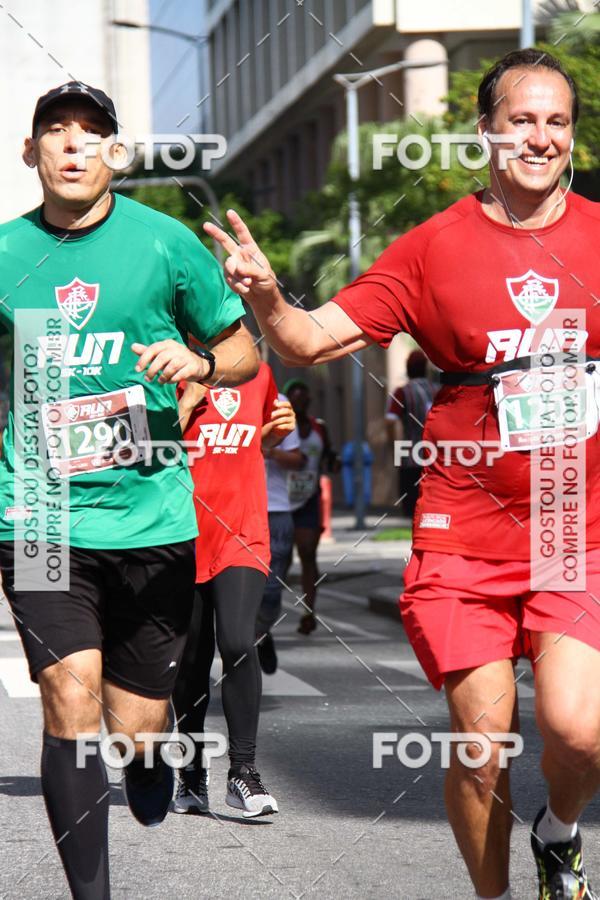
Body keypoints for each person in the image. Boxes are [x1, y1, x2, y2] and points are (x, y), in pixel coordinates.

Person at [206, 49, 600, 900]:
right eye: (521, 120)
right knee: (483, 744)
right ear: (486, 131)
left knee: (578, 731)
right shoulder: (434, 248)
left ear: (573, 137)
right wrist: (268, 296)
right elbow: (308, 341)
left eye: (557, 122)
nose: (540, 137)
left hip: (576, 529)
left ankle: (559, 833)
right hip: (463, 538)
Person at [0, 82, 257, 900]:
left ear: (116, 154)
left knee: (135, 722)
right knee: (67, 705)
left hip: (151, 516)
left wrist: (204, 365)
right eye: (56, 132)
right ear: (30, 153)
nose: (73, 146)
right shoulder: (4, 255)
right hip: (38, 513)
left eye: (93, 134)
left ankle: (150, 758)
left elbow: (243, 349)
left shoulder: (165, 244)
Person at [172, 361, 296, 817]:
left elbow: (253, 445)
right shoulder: (165, 373)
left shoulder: (259, 374)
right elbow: (144, 451)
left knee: (240, 642)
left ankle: (243, 773)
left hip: (243, 531)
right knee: (190, 661)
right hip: (182, 532)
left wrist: (274, 435)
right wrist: (185, 402)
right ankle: (189, 775)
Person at [283, 379, 339, 635]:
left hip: (309, 498)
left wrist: (333, 462)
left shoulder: (320, 428)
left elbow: (328, 454)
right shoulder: (280, 427)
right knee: (280, 559)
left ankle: (308, 611)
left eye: (304, 400)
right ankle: (269, 607)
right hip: (280, 500)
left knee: (307, 552)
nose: (300, 405)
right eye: (295, 400)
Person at [256, 392, 305, 674]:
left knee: (272, 590)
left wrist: (266, 447)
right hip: (232, 510)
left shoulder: (277, 401)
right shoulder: (206, 391)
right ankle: (242, 641)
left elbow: (297, 459)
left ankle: (261, 633)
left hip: (275, 509)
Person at [386, 349, 438, 518]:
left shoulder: (403, 392)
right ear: (425, 369)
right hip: (436, 457)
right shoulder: (438, 390)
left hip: (411, 457)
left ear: (408, 369)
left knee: (411, 508)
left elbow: (390, 420)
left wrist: (393, 445)